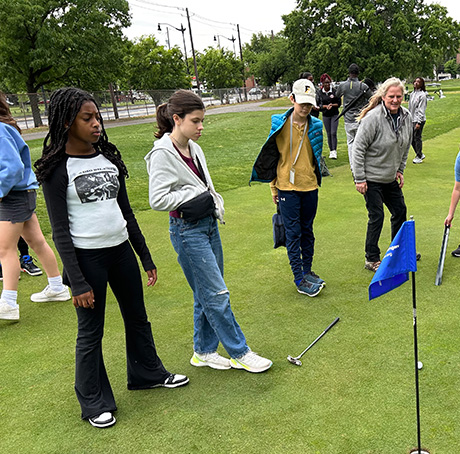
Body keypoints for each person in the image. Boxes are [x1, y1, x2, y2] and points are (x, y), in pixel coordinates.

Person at [35, 87, 188, 429]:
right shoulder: (59, 169)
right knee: (91, 332)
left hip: (120, 252)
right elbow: (60, 230)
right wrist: (75, 280)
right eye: (87, 118)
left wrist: (145, 256)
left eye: (98, 117)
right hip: (87, 260)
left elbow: (127, 214)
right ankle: (93, 402)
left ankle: (147, 373)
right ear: (66, 122)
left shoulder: (108, 159)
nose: (96, 124)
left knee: (137, 317)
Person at [146, 89, 273, 373]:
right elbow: (157, 199)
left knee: (206, 291)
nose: (201, 126)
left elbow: (206, 186)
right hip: (186, 230)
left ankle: (203, 351)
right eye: (196, 121)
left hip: (208, 224)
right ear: (177, 119)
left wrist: (212, 201)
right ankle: (239, 351)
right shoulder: (161, 154)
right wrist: (192, 197)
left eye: (203, 120)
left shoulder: (195, 147)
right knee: (216, 294)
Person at [1, 93, 70, 322]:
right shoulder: (4, 127)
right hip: (21, 193)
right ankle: (57, 286)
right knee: (36, 241)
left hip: (12, 195)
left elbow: (12, 168)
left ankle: (8, 303)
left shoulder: (0, 129)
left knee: (5, 249)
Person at [252, 79, 325, 294]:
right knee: (293, 233)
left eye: (309, 104)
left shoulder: (317, 125)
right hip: (286, 187)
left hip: (310, 186)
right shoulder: (279, 123)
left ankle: (307, 270)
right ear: (292, 99)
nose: (305, 108)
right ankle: (299, 278)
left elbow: (316, 157)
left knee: (307, 231)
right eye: (302, 103)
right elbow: (273, 157)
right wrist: (273, 188)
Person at [349, 77, 413, 272]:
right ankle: (372, 257)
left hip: (390, 177)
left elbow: (405, 145)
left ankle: (398, 250)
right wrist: (359, 178)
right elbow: (357, 149)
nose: (395, 100)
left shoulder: (406, 116)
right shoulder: (373, 118)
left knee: (400, 210)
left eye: (399, 96)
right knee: (377, 215)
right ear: (383, 96)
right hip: (371, 178)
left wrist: (400, 170)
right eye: (391, 96)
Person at [336, 63, 372, 153]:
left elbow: (337, 95)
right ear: (358, 73)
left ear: (349, 72)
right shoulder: (363, 86)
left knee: (351, 143)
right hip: (360, 118)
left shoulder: (343, 85)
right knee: (361, 143)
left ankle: (353, 165)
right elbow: (371, 98)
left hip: (348, 118)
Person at [316, 73, 340, 159]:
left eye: (328, 82)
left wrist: (332, 105)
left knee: (333, 132)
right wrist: (325, 107)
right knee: (329, 133)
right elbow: (318, 105)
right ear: (322, 83)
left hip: (334, 114)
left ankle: (334, 151)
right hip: (325, 115)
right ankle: (331, 151)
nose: (327, 84)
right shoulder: (319, 93)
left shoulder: (334, 91)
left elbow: (338, 103)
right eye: (325, 83)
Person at [408, 77, 428, 164]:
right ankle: (419, 153)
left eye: (418, 82)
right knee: (411, 138)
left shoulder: (422, 95)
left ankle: (419, 156)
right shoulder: (412, 94)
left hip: (419, 119)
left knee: (417, 137)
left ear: (421, 84)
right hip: (412, 119)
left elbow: (421, 109)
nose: (416, 83)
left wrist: (419, 122)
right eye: (415, 81)